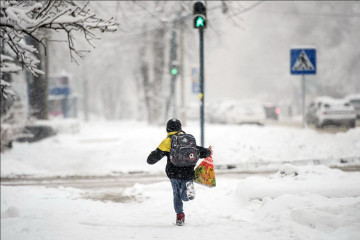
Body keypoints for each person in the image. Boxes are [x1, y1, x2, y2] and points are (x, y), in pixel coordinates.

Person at [147, 118, 212, 226]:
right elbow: (199, 150)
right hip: (189, 172)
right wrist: (208, 151)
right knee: (184, 194)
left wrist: (150, 158)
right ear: (180, 128)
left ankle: (180, 216)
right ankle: (187, 192)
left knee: (176, 195)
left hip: (174, 173)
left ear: (167, 129)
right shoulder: (188, 139)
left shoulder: (168, 141)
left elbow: (152, 159)